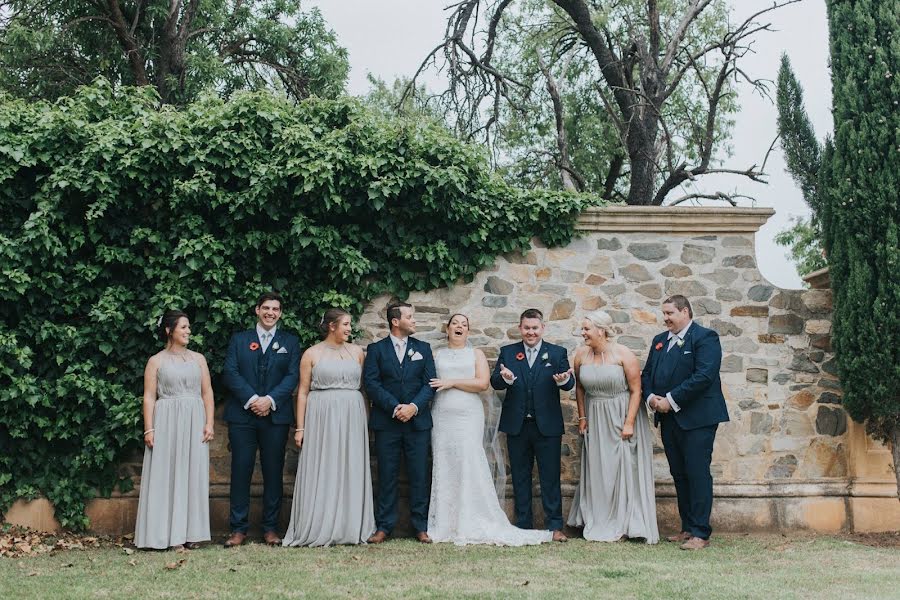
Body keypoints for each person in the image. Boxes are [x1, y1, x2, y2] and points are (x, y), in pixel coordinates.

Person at [428, 314, 551, 546]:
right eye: (455, 323)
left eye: (464, 324)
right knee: (444, 463)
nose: (460, 327)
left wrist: (452, 382)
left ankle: (471, 519)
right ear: (447, 328)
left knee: (469, 461)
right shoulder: (437, 355)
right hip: (442, 415)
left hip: (468, 415)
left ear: (468, 331)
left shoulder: (476, 354)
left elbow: (482, 383)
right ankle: (446, 523)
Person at [641, 295, 728, 550]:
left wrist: (670, 399)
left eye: (670, 313)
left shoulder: (705, 338)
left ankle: (701, 532)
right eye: (664, 313)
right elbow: (647, 374)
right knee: (679, 474)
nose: (665, 318)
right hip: (669, 419)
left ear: (685, 312)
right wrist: (651, 398)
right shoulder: (659, 341)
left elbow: (704, 376)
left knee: (697, 473)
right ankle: (687, 527)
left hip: (699, 419)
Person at [283, 308, 375, 546]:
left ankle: (349, 525)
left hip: (352, 414)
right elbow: (302, 392)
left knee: (350, 466)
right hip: (321, 414)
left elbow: (364, 391)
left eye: (349, 324)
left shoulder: (357, 352)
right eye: (345, 324)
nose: (349, 328)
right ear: (332, 326)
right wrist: (300, 428)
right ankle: (317, 525)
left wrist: (364, 421)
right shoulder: (312, 353)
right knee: (322, 464)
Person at [567, 311, 659, 543]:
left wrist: (629, 423)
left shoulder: (623, 354)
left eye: (587, 329)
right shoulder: (580, 355)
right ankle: (596, 517)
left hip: (620, 414)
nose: (583, 333)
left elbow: (636, 390)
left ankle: (625, 521)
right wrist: (582, 417)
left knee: (621, 467)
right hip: (594, 415)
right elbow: (579, 388)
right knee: (598, 468)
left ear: (601, 330)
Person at [222, 292, 301, 547]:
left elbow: (292, 376)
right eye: (266, 308)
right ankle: (238, 529)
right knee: (241, 470)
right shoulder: (239, 339)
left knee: (273, 472)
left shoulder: (290, 342)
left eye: (275, 309)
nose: (270, 313)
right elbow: (231, 372)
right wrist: (254, 399)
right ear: (257, 310)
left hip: (275, 417)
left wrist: (270, 401)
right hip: (242, 416)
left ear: (280, 313)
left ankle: (270, 528)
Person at [490, 308, 574, 542]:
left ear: (542, 328)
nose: (531, 332)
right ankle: (523, 524)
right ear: (520, 328)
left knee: (550, 476)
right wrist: (503, 379)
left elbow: (569, 383)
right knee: (520, 475)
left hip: (547, 426)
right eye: (526, 328)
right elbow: (495, 381)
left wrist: (565, 380)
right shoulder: (508, 352)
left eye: (535, 328)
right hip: (517, 425)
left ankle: (555, 526)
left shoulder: (557, 353)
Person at [135, 309, 214, 550]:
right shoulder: (156, 361)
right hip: (167, 419)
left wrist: (209, 422)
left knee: (193, 474)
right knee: (166, 475)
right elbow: (149, 396)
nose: (188, 331)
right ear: (169, 330)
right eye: (183, 327)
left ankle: (191, 533)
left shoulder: (198, 359)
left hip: (194, 418)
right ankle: (166, 535)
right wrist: (149, 429)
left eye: (189, 327)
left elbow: (207, 392)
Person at [362, 302, 436, 543]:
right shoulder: (376, 349)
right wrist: (395, 408)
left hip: (418, 423)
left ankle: (420, 526)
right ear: (395, 321)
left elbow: (430, 384)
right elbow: (372, 384)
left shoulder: (423, 348)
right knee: (386, 474)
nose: (414, 321)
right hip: (387, 422)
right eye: (410, 317)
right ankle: (384, 526)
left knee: (419, 475)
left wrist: (413, 407)